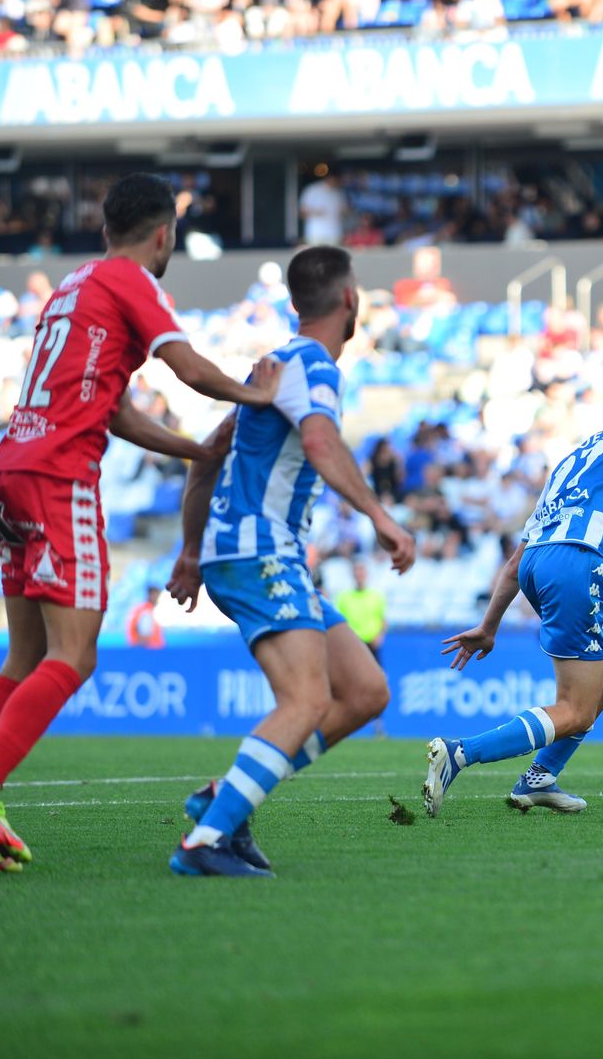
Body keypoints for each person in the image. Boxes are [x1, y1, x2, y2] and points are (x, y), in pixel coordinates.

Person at [0, 173, 285, 874]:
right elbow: (185, 366)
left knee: (25, 657)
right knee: (76, 654)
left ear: (105, 228)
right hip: (59, 477)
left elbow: (113, 409)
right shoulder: (133, 281)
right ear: (164, 236)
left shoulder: (74, 288)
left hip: (10, 470)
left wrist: (192, 448)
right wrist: (255, 394)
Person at [166, 245, 417, 877]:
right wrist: (380, 516)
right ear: (350, 300)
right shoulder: (314, 367)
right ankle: (206, 843)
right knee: (306, 698)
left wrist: (193, 550)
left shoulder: (271, 371)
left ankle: (226, 799)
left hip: (247, 551)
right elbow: (320, 441)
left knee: (363, 691)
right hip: (260, 550)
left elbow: (208, 453)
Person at [426, 396, 603, 818]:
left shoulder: (574, 465)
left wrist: (489, 626)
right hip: (577, 562)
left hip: (539, 564)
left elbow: (515, 561)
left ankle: (540, 776)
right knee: (575, 710)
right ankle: (460, 753)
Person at [335, 561, 388, 661]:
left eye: (361, 571)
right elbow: (338, 622)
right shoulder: (343, 597)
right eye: (357, 571)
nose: (359, 574)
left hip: (372, 644)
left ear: (366, 573)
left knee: (375, 675)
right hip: (352, 644)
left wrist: (379, 637)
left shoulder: (376, 596)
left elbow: (383, 620)